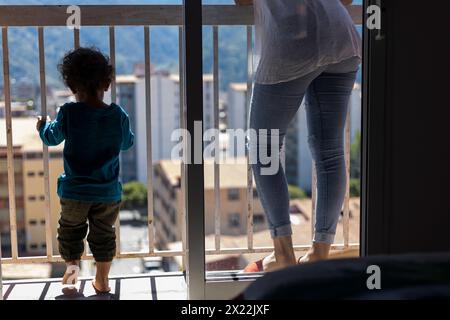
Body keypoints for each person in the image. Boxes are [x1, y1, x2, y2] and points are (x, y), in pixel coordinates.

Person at [234, 0, 362, 272]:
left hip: (292, 42)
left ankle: (283, 255)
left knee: (263, 148)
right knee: (330, 151)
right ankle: (319, 252)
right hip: (341, 37)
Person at [36, 47, 134, 293]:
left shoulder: (69, 112)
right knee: (103, 235)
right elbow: (127, 143)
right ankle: (102, 281)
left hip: (75, 192)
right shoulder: (117, 114)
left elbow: (51, 139)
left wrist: (42, 127)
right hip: (108, 192)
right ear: (107, 84)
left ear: (71, 86)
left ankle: (71, 277)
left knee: (70, 233)